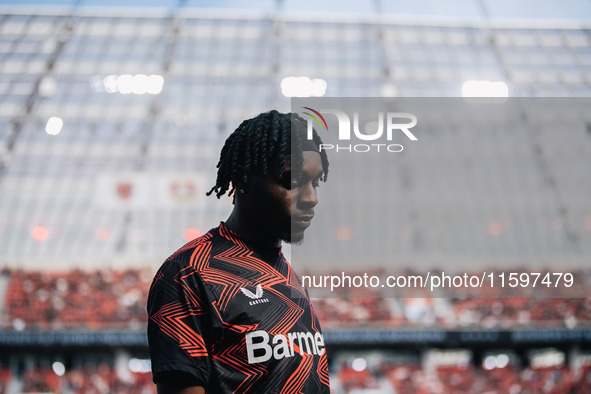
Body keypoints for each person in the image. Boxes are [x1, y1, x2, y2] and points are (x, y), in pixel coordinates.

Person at [147, 110, 330, 394]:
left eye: (315, 183)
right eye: (292, 181)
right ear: (243, 180)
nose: (311, 198)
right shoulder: (189, 273)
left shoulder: (286, 275)